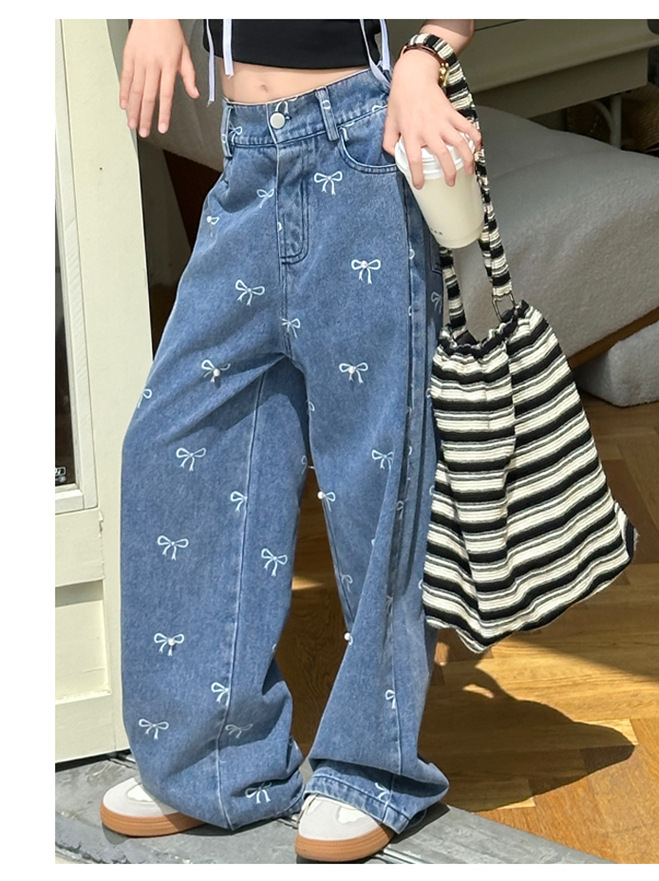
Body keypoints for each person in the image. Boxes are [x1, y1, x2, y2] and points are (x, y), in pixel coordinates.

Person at [100, 18, 481, 863]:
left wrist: (427, 55)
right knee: (172, 445)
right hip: (246, 161)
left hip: (363, 153)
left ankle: (372, 767)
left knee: (375, 476)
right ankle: (214, 760)